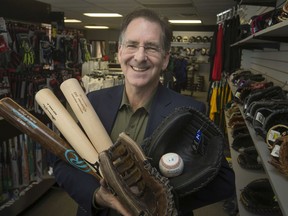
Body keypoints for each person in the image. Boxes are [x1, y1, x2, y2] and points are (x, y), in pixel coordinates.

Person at [53, 8, 235, 216]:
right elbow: (62, 160)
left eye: (151, 48)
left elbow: (224, 181)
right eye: (132, 45)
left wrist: (162, 198)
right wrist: (96, 196)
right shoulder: (92, 102)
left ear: (165, 59)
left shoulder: (189, 111)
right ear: (120, 51)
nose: (140, 57)